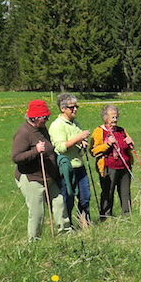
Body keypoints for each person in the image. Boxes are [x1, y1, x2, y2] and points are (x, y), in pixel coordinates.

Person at [12, 99, 72, 240]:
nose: (47, 119)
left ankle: (66, 234)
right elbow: (16, 157)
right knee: (37, 212)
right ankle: (34, 242)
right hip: (32, 178)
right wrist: (35, 151)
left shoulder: (41, 128)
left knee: (59, 203)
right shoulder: (24, 133)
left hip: (48, 176)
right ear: (35, 118)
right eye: (44, 117)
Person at [49, 93, 91, 227]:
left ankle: (84, 223)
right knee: (68, 198)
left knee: (85, 196)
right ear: (62, 109)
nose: (75, 109)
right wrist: (79, 138)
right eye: (71, 107)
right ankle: (67, 227)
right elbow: (61, 147)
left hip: (79, 165)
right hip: (66, 167)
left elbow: (74, 142)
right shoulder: (57, 125)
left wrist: (82, 143)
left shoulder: (75, 124)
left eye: (76, 106)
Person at [91, 104, 133, 219]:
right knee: (107, 192)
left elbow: (129, 146)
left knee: (125, 193)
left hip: (124, 166)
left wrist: (130, 143)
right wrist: (107, 145)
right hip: (108, 167)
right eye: (112, 117)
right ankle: (105, 217)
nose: (115, 120)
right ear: (105, 118)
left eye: (116, 117)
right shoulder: (99, 131)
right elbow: (93, 151)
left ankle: (127, 215)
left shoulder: (121, 130)